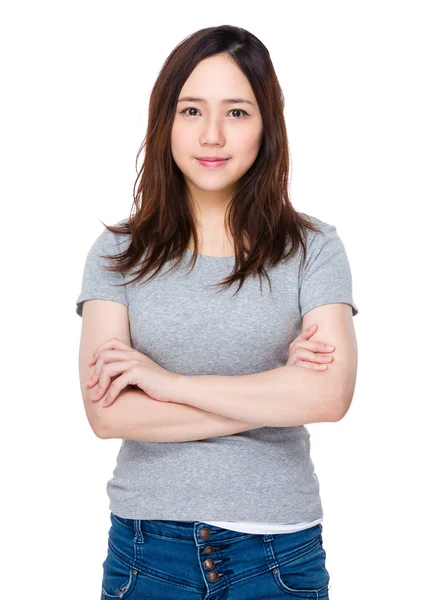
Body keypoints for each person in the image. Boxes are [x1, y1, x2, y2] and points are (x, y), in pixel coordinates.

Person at [76, 24, 358, 600]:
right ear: (165, 122)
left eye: (236, 112)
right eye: (190, 110)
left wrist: (165, 384)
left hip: (280, 554)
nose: (212, 135)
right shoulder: (117, 254)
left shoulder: (314, 249)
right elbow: (109, 417)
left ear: (265, 125)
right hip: (146, 553)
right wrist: (277, 393)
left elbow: (329, 398)